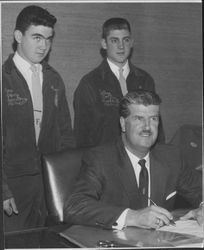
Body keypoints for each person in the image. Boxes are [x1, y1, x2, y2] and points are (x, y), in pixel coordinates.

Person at [64, 90, 203, 229]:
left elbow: (199, 189)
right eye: (139, 118)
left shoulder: (171, 157)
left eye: (153, 119)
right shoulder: (100, 159)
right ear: (123, 124)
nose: (147, 127)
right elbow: (75, 206)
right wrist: (133, 217)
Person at [2, 5, 75, 232]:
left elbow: (66, 135)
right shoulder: (4, 80)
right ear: (18, 36)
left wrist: (68, 183)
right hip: (13, 187)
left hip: (48, 186)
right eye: (37, 37)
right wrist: (3, 190)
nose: (44, 45)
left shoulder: (54, 79)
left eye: (48, 39)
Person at [74, 17, 165, 148]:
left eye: (125, 40)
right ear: (104, 44)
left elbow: (157, 129)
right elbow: (82, 136)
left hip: (141, 157)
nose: (121, 46)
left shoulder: (145, 80)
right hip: (105, 161)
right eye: (114, 40)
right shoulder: (90, 83)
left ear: (132, 42)